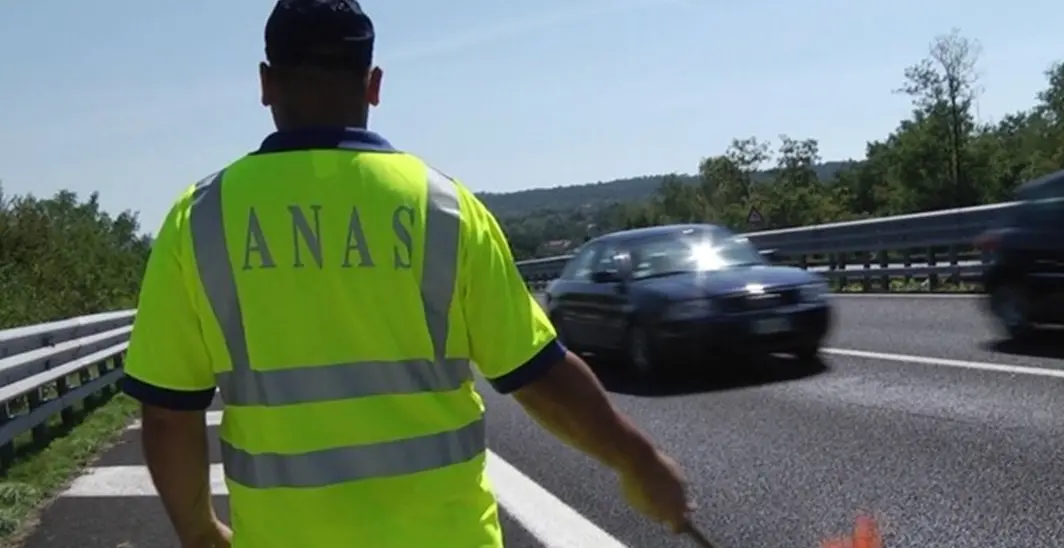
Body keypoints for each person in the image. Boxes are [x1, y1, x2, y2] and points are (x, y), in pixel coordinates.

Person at [120, 1, 693, 546]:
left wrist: (198, 533)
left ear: (266, 83)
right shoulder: (444, 208)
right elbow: (539, 375)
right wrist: (636, 459)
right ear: (374, 84)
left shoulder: (199, 219)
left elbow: (170, 414)